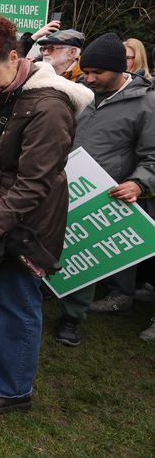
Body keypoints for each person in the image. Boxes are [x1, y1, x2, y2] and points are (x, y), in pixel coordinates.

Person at [0, 11, 92, 414]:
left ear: (13, 57)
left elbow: (35, 182)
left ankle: (12, 389)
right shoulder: (1, 94)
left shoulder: (49, 107)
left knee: (18, 301)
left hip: (30, 221)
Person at [57, 33, 155, 346]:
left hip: (106, 194)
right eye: (87, 71)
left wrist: (138, 183)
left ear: (119, 70)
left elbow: (152, 156)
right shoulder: (85, 94)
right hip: (67, 183)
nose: (90, 78)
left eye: (98, 72)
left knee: (85, 256)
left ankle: (73, 317)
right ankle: (53, 288)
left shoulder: (146, 103)